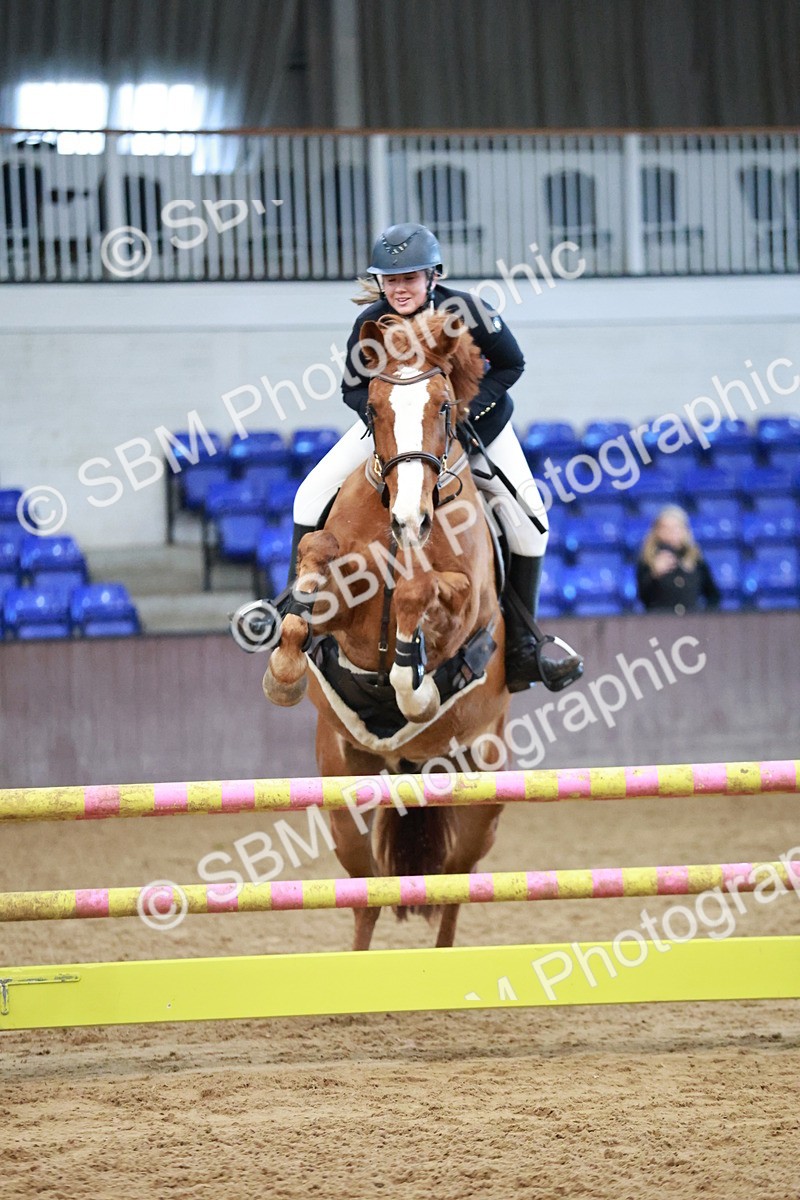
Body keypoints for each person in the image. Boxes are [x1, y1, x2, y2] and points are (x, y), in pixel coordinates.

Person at [255, 222, 584, 693]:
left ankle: (523, 651)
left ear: (432, 276)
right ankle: (296, 614)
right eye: (391, 280)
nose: (399, 288)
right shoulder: (370, 324)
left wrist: (462, 410)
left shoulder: (466, 310)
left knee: (532, 522)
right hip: (398, 432)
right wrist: (387, 425)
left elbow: (512, 364)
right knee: (308, 498)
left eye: (409, 278)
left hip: (477, 427)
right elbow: (352, 387)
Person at [636, 506, 721, 614]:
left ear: (685, 530)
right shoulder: (648, 559)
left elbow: (713, 596)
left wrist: (704, 618)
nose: (671, 532)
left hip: (691, 623)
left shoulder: (695, 559)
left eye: (676, 527)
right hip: (660, 623)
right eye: (665, 528)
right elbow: (642, 599)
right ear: (656, 531)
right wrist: (654, 574)